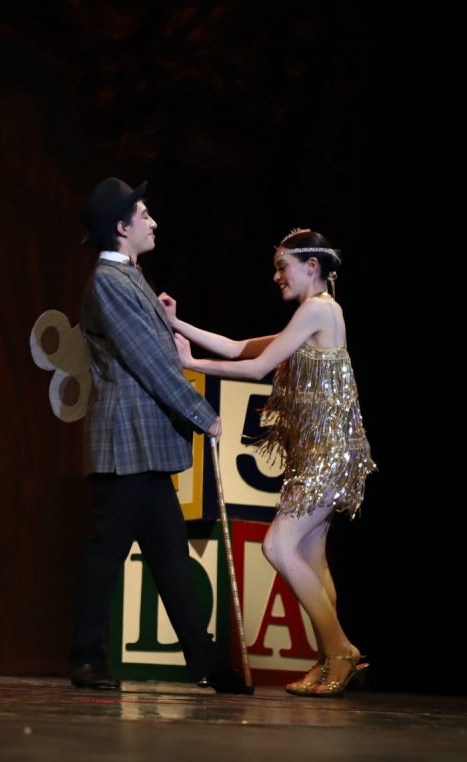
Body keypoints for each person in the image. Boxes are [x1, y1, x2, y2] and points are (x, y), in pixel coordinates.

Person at [163, 228, 376, 697]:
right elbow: (239, 347)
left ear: (311, 266)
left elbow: (256, 369)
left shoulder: (318, 309)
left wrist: (192, 365)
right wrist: (179, 326)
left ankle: (342, 652)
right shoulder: (312, 316)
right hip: (315, 455)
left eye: (283, 267)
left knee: (278, 546)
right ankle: (330, 660)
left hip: (327, 455)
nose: (276, 276)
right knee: (312, 561)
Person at [70, 177, 252, 695]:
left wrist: (166, 317)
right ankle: (86, 658)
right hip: (124, 442)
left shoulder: (130, 277)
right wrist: (201, 412)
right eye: (144, 215)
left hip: (144, 444)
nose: (153, 223)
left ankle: (207, 663)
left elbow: (156, 346)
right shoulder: (108, 281)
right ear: (120, 227)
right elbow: (149, 360)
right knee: (107, 554)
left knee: (171, 557)